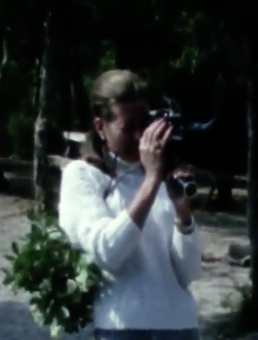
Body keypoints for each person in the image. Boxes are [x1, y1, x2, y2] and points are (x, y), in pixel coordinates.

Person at [58, 70, 202, 340]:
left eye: (144, 124)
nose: (140, 136)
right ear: (100, 127)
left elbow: (190, 271)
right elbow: (107, 252)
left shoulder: (158, 171)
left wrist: (183, 215)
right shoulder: (82, 176)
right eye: (128, 127)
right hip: (123, 327)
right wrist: (151, 181)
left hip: (180, 325)